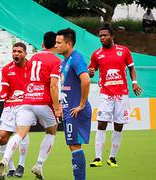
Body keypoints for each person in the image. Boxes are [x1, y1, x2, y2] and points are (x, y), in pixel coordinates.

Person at [0, 32, 62, 180]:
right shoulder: (56, 60)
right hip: (43, 102)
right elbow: (53, 86)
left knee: (19, 133)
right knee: (51, 131)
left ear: (42, 45)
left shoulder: (33, 59)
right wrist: (57, 107)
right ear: (56, 45)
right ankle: (39, 164)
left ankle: (5, 159)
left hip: (26, 101)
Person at [88, 24, 142, 168]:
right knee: (101, 123)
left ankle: (112, 157)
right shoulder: (96, 54)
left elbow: (131, 68)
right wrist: (91, 72)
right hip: (105, 94)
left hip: (121, 94)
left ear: (112, 36)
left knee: (118, 125)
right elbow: (91, 69)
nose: (102, 38)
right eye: (100, 36)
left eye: (105, 35)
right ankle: (97, 158)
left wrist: (134, 83)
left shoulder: (123, 51)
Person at [55, 28, 92, 180]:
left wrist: (82, 104)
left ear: (69, 43)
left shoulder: (76, 58)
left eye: (59, 42)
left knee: (75, 146)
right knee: (72, 146)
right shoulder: (64, 61)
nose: (56, 45)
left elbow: (86, 79)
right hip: (69, 110)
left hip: (76, 111)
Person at [0, 42, 30, 178]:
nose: (16, 54)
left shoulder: (31, 68)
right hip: (9, 105)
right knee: (2, 137)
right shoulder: (6, 69)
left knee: (21, 133)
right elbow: (5, 91)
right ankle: (11, 169)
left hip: (25, 104)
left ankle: (21, 165)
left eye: (19, 51)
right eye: (14, 51)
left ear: (25, 53)